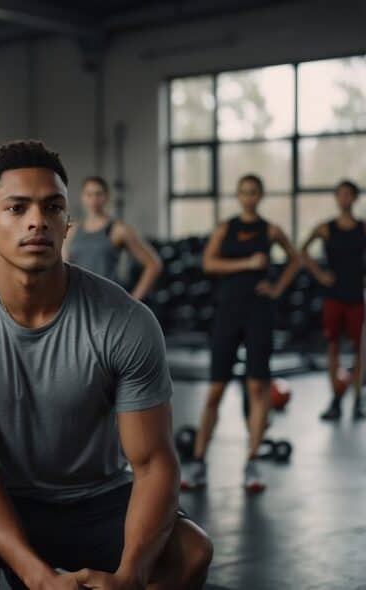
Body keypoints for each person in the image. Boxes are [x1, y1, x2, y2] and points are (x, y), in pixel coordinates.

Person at [0, 140, 212, 590]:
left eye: (52, 207)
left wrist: (131, 575)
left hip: (97, 496)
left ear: (67, 223)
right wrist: (37, 575)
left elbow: (153, 465)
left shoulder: (125, 321)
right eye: (17, 207)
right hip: (0, 490)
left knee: (190, 554)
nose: (37, 221)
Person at [181, 174, 301, 493]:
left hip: (260, 312)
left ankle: (252, 462)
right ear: (238, 195)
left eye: (254, 192)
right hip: (228, 313)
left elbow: (295, 259)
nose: (249, 197)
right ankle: (198, 462)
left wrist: (276, 287)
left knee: (258, 387)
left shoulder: (270, 229)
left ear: (260, 195)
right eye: (244, 192)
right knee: (215, 390)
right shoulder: (226, 228)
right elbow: (209, 263)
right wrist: (248, 262)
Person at [302, 180, 366, 422]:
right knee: (333, 349)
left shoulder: (362, 228)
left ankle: (358, 398)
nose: (344, 198)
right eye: (340, 194)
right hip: (333, 296)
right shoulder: (325, 228)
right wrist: (319, 274)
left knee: (361, 351)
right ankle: (336, 399)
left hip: (356, 296)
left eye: (348, 194)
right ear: (336, 198)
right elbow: (304, 251)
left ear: (354, 198)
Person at [64, 176, 162, 300]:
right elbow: (63, 269)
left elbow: (153, 264)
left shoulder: (118, 229)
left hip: (107, 304)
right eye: (89, 194)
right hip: (78, 303)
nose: (93, 199)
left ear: (107, 197)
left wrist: (134, 301)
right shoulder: (72, 231)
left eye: (98, 194)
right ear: (82, 197)